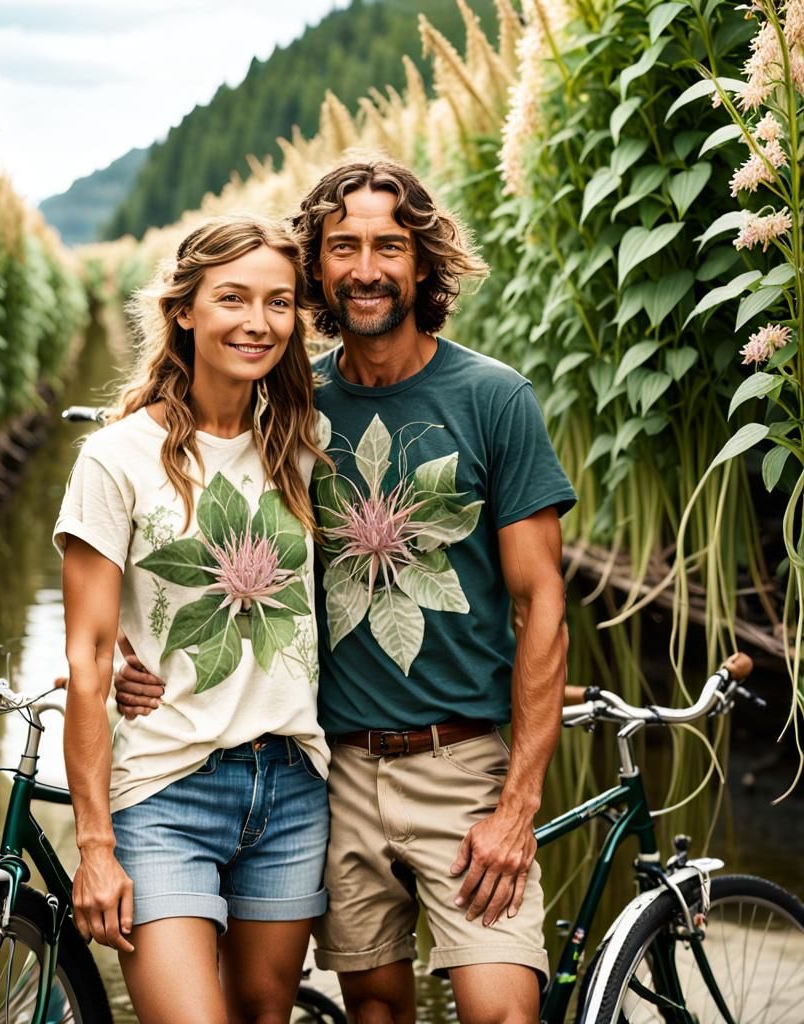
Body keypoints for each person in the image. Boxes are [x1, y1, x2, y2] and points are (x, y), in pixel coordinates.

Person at [116, 161, 576, 1024]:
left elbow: (541, 605)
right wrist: (121, 652)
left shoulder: (493, 398)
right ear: (316, 268)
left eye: (389, 247)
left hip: (462, 764)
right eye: (343, 248)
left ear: (423, 263)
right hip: (332, 771)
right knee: (371, 1007)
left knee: (504, 1011)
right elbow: (176, 522)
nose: (367, 268)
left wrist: (518, 806)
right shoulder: (290, 402)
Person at [55, 216, 333, 1024]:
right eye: (232, 298)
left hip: (292, 787)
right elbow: (88, 657)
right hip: (167, 791)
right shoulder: (116, 458)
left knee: (264, 1016)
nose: (258, 322)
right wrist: (95, 847)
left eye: (278, 302)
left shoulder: (307, 444)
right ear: (184, 309)